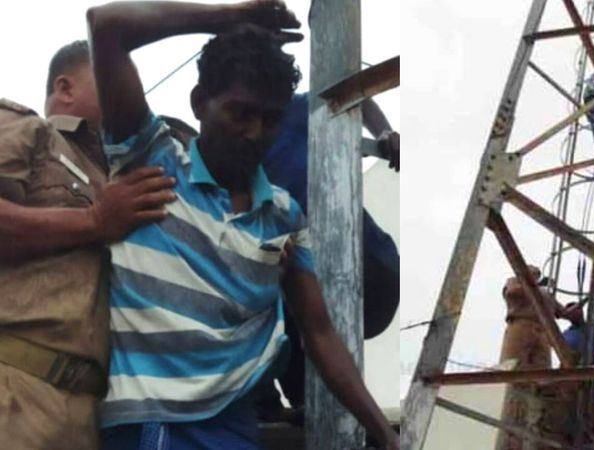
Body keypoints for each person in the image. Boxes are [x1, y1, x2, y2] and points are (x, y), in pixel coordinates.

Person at [87, 1, 398, 449]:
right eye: (240, 112)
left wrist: (384, 433)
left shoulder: (283, 217)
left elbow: (321, 334)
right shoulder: (150, 161)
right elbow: (106, 27)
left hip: (234, 429)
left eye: (270, 119)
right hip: (155, 424)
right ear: (199, 104)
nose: (255, 131)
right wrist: (223, 19)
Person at [0, 41, 175, 449]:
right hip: (15, 389)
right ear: (65, 89)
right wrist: (94, 220)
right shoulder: (27, 130)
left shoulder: (115, 176)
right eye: (108, 81)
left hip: (89, 415)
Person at [259, 92, 400, 417]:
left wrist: (384, 132)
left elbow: (358, 99)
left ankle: (321, 408)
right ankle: (300, 407)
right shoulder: (229, 152)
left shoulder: (291, 109)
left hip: (364, 260)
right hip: (294, 275)